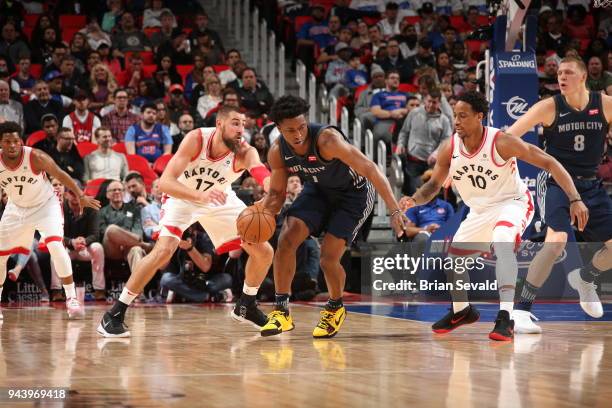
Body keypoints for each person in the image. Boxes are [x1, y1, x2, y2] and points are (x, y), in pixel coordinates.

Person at [403, 91, 588, 341]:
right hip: (479, 211)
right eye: (455, 116)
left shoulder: (501, 141)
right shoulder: (450, 148)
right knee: (454, 262)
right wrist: (413, 200)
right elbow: (433, 185)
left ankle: (505, 317)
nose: (456, 121)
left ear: (479, 117)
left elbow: (550, 163)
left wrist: (575, 198)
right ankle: (461, 311)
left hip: (512, 202)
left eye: (463, 116)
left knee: (502, 240)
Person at [97, 106, 274, 337]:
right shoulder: (197, 139)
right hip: (182, 196)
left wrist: (273, 195)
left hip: (219, 197)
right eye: (234, 123)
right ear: (219, 124)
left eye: (243, 124)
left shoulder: (245, 152)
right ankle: (114, 315)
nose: (241, 129)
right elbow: (165, 183)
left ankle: (246, 305)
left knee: (264, 251)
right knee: (163, 251)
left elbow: (263, 176)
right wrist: (200, 196)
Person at [259, 95, 408, 338]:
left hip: (354, 194)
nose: (298, 134)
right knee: (286, 238)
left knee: (328, 259)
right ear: (278, 129)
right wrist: (263, 214)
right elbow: (276, 194)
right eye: (290, 130)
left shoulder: (327, 140)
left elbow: (370, 168)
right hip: (318, 190)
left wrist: (393, 209)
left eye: (301, 127)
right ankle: (281, 312)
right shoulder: (278, 152)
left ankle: (335, 307)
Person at [504, 56, 612, 333]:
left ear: (583, 76)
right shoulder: (549, 106)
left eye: (568, 73)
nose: (561, 77)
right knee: (557, 242)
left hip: (591, 184)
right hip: (555, 182)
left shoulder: (604, 104)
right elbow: (508, 138)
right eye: (559, 73)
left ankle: (586, 278)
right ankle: (521, 311)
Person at [0, 121, 100, 320]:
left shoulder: (35, 157)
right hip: (16, 207)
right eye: (7, 141)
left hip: (46, 205)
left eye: (15, 141)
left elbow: (61, 175)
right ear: (1, 143)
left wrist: (80, 195)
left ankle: (71, 298)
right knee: (0, 256)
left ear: (21, 141)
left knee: (56, 245)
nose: (12, 145)